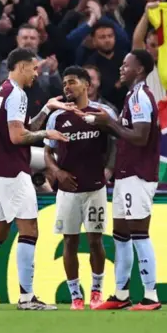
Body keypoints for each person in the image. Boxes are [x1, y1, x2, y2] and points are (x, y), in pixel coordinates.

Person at [0, 48, 74, 311]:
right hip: (12, 170)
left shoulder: (1, 92)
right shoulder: (17, 94)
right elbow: (17, 137)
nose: (36, 73)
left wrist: (46, 108)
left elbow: (22, 128)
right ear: (21, 67)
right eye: (34, 68)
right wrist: (48, 133)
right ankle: (26, 297)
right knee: (29, 230)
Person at [85, 49, 162, 311]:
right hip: (125, 172)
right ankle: (120, 293)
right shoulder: (132, 95)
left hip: (139, 174)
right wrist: (105, 124)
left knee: (140, 232)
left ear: (139, 70)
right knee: (121, 234)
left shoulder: (141, 96)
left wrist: (111, 123)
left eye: (125, 64)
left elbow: (140, 136)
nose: (121, 68)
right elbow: (126, 132)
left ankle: (151, 294)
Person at [44, 66, 117, 310]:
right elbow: (47, 151)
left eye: (72, 82)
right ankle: (76, 296)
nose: (67, 87)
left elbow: (116, 143)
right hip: (68, 191)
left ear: (86, 85)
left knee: (96, 241)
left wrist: (108, 170)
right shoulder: (57, 117)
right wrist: (56, 172)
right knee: (69, 242)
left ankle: (96, 292)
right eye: (64, 83)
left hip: (95, 188)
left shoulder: (103, 112)